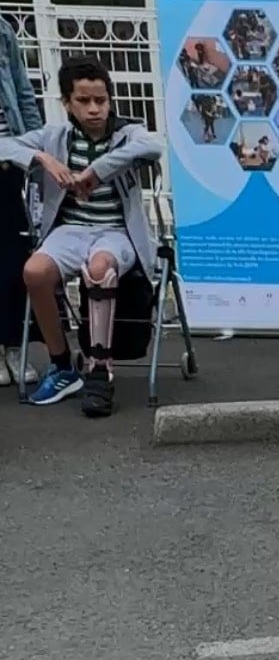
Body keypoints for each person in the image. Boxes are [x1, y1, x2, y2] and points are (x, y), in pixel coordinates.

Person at [0, 57, 162, 417]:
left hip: (116, 232)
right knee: (34, 272)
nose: (94, 109)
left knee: (100, 267)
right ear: (67, 103)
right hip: (70, 230)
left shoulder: (127, 133)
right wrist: (42, 158)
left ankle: (99, 369)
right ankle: (62, 366)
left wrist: (97, 170)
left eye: (101, 100)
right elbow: (4, 146)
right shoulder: (55, 137)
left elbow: (153, 147)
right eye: (84, 101)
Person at [0, 13, 42, 389]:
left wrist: (36, 148)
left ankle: (14, 344)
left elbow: (23, 91)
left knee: (14, 256)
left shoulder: (2, 29)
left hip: (8, 159)